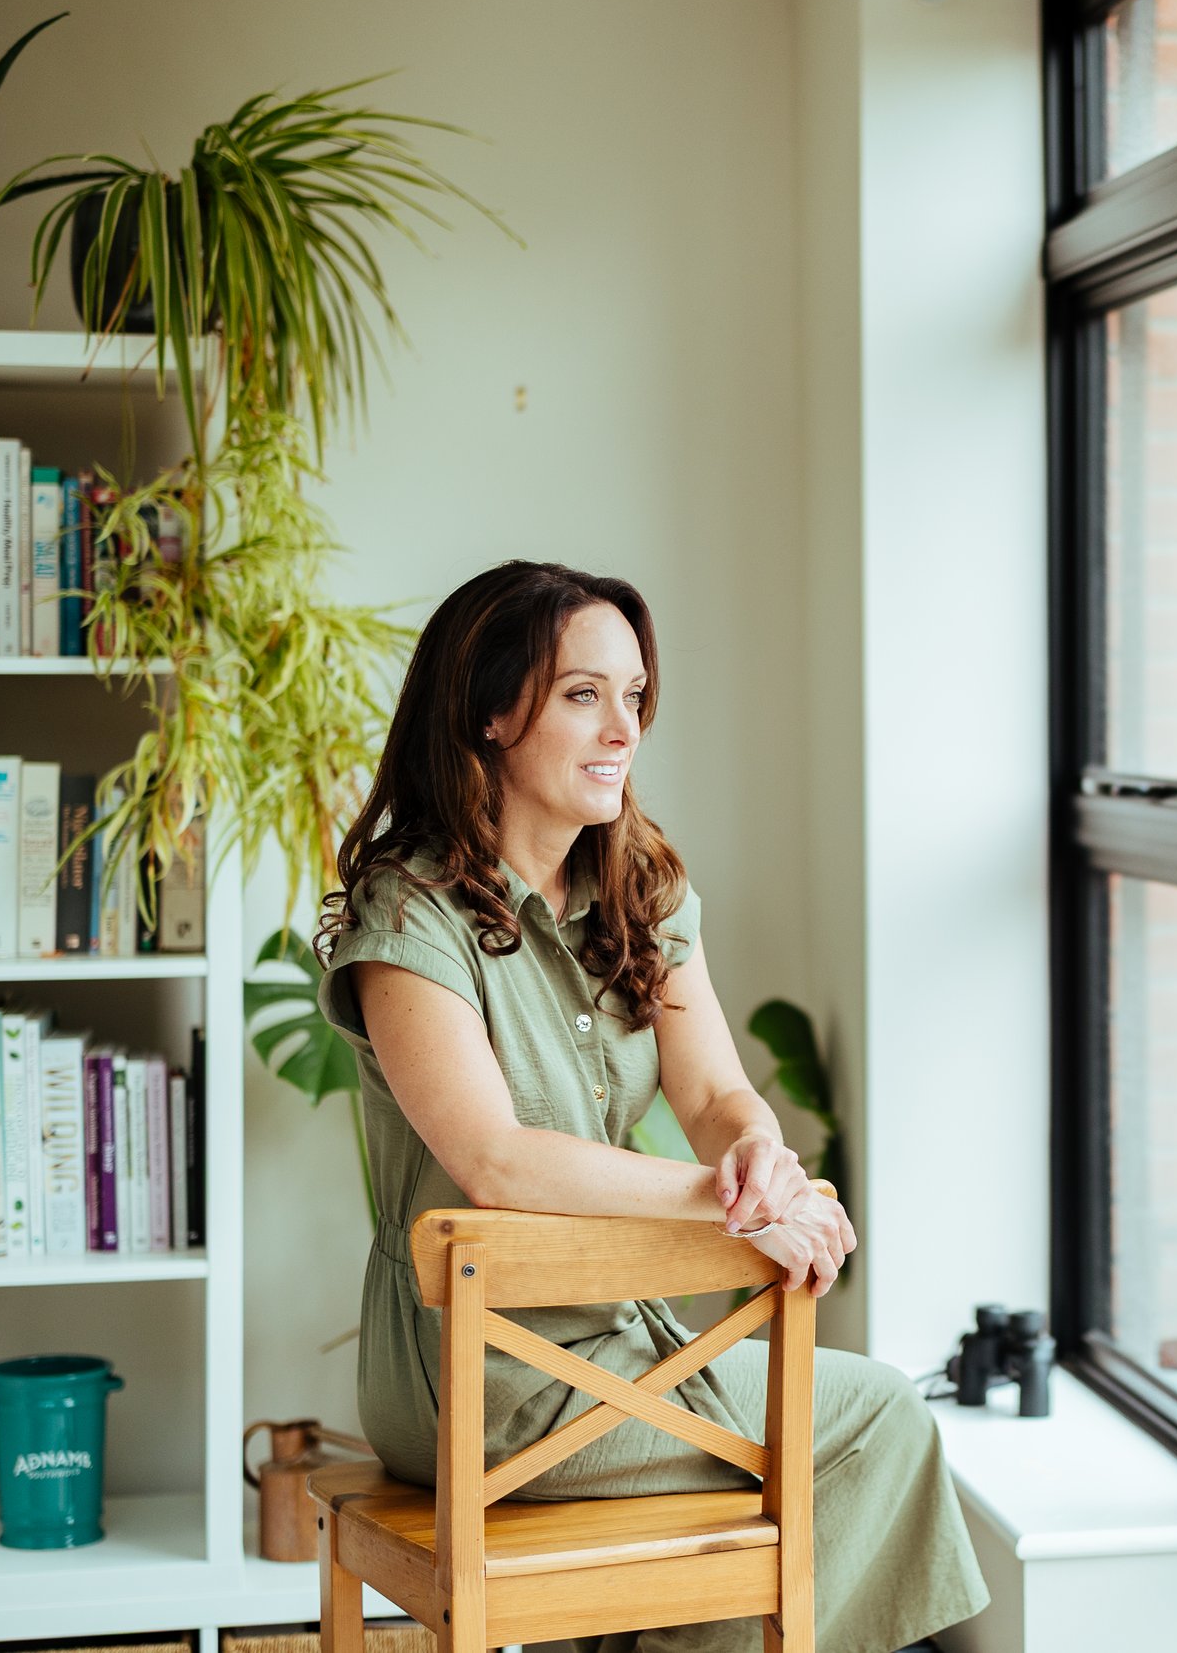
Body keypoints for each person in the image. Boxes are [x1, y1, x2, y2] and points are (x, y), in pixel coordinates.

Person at [314, 560, 986, 1653]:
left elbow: (716, 1090)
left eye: (633, 696)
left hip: (631, 1338)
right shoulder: (409, 912)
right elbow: (497, 1161)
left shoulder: (643, 887)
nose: (620, 725)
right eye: (583, 694)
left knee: (785, 1487)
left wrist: (759, 1155)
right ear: (489, 713)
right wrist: (730, 1206)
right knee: (875, 1423)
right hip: (474, 1379)